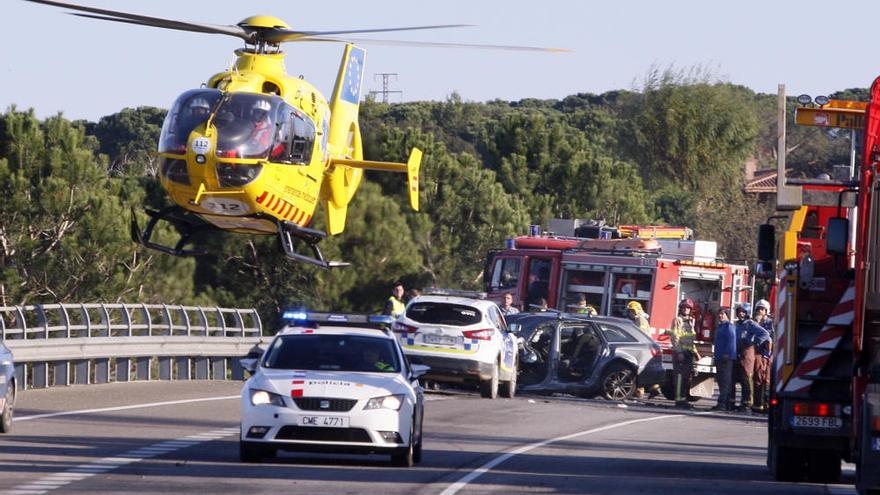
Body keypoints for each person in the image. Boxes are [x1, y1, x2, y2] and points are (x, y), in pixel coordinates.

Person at [733, 303, 769, 412]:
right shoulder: (738, 324)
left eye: (743, 311)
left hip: (747, 353)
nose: (741, 314)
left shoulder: (750, 324)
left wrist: (754, 342)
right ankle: (741, 403)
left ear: (748, 313)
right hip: (738, 353)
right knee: (738, 378)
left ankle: (748, 404)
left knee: (747, 378)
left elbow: (765, 334)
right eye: (739, 311)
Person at [670, 299, 700, 408]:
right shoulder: (677, 320)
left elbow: (691, 340)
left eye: (688, 308)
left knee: (686, 378)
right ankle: (679, 401)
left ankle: (683, 400)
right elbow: (674, 337)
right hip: (680, 354)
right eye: (684, 307)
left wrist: (696, 354)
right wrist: (679, 352)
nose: (686, 309)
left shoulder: (690, 322)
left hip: (688, 354)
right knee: (679, 378)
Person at [711, 308, 737, 411]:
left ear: (727, 315)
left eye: (722, 314)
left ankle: (722, 404)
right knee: (721, 381)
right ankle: (723, 403)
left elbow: (731, 340)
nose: (720, 316)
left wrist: (727, 354)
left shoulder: (728, 326)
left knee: (725, 382)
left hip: (726, 359)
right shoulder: (720, 327)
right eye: (719, 314)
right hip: (719, 358)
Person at [752, 300, 773, 413]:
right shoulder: (754, 322)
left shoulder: (769, 323)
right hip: (756, 353)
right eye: (758, 309)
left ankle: (767, 405)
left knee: (766, 379)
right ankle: (757, 404)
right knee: (757, 378)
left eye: (762, 309)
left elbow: (769, 339)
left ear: (766, 311)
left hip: (766, 354)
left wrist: (767, 355)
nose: (760, 311)